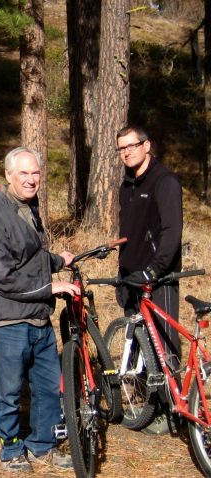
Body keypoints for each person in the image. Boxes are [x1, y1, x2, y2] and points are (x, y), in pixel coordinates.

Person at [0, 147, 77, 473]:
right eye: (24, 174)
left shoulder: (28, 208)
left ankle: (42, 445)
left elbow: (31, 256)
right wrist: (50, 287)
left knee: (47, 386)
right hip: (8, 318)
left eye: (35, 173)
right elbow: (2, 276)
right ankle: (11, 450)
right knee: (9, 390)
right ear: (8, 176)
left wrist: (59, 261)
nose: (31, 180)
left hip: (36, 315)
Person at [116, 125, 183, 435]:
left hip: (159, 278)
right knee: (142, 344)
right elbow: (128, 235)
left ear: (146, 145)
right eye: (121, 148)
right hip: (131, 277)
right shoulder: (126, 185)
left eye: (132, 145)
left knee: (164, 344)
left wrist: (156, 270)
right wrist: (122, 272)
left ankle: (173, 412)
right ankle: (148, 406)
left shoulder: (164, 181)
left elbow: (172, 233)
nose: (127, 152)